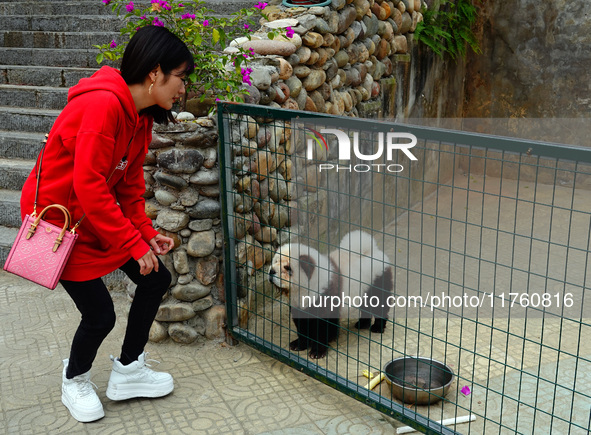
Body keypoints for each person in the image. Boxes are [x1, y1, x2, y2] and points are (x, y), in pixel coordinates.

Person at [19, 25, 194, 423]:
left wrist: (147, 234)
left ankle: (129, 370)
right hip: (60, 226)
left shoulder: (141, 117)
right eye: (181, 77)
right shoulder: (103, 105)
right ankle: (74, 378)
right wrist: (133, 244)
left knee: (155, 279)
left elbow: (129, 187)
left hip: (95, 217)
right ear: (155, 72)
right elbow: (89, 185)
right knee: (100, 314)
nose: (183, 89)